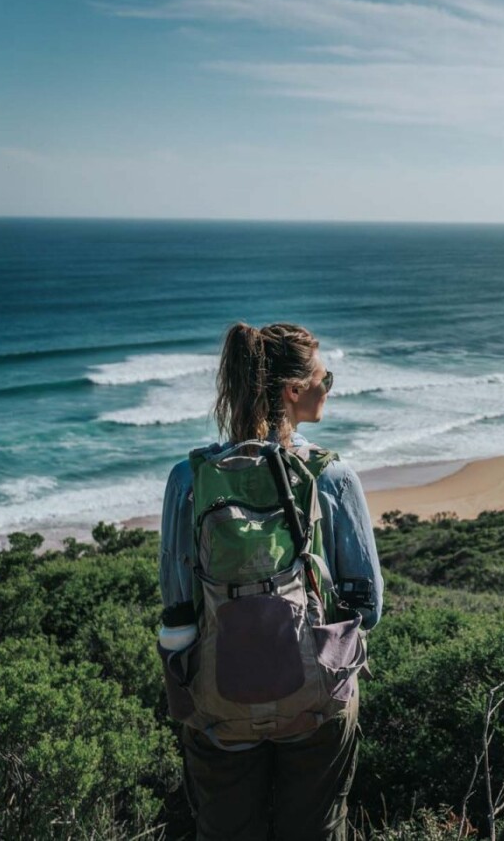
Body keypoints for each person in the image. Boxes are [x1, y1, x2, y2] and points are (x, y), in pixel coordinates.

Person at [159, 322, 383, 840]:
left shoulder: (187, 479)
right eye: (327, 380)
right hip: (316, 698)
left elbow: (176, 600)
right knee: (317, 828)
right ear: (294, 391)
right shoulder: (333, 476)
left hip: (218, 702)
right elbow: (367, 607)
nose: (329, 389)